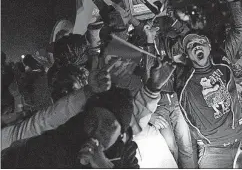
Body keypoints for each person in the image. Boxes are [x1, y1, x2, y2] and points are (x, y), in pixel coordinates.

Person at [1, 54, 176, 168]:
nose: (100, 129)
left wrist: (88, 91)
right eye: (58, 89)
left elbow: (125, 117)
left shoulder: (124, 153)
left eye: (70, 87)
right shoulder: (51, 144)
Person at [172, 0, 242, 168]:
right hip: (213, 152)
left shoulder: (223, 60)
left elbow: (240, 28)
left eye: (201, 42)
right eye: (191, 46)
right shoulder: (182, 80)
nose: (197, 46)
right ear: (187, 55)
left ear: (207, 46)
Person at [144, 24, 195, 168]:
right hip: (160, 105)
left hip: (176, 100)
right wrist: (149, 39)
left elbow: (185, 39)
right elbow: (148, 71)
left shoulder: (171, 45)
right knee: (171, 147)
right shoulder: (149, 51)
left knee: (186, 146)